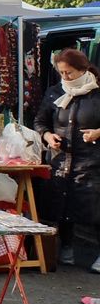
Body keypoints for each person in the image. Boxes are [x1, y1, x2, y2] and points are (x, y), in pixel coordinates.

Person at [34, 48, 100, 272]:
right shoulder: (55, 92)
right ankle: (66, 247)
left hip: (92, 162)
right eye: (61, 72)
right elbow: (40, 121)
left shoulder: (97, 93)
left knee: (94, 208)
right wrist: (47, 136)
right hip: (61, 161)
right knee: (63, 206)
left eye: (69, 73)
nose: (65, 77)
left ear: (83, 69)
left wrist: (98, 133)